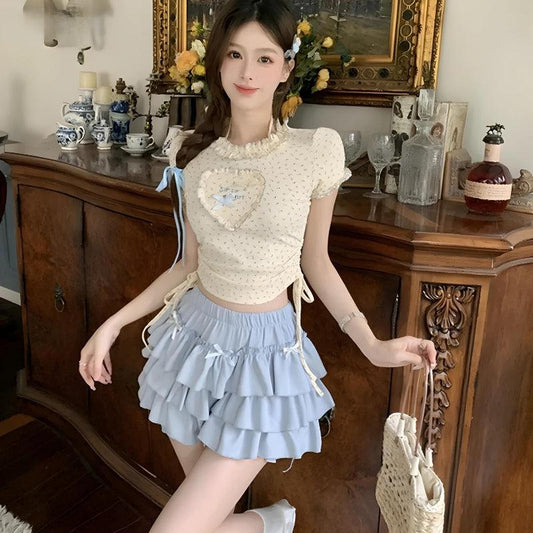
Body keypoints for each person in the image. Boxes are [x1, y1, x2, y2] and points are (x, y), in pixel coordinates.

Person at [78, 1, 437, 532]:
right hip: (190, 345)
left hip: (265, 359)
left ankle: (269, 522)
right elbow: (186, 265)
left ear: (287, 68)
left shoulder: (315, 151)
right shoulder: (190, 155)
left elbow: (316, 262)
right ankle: (269, 524)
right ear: (218, 63)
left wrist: (373, 345)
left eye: (265, 58)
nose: (247, 72)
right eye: (235, 55)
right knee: (211, 520)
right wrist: (112, 324)